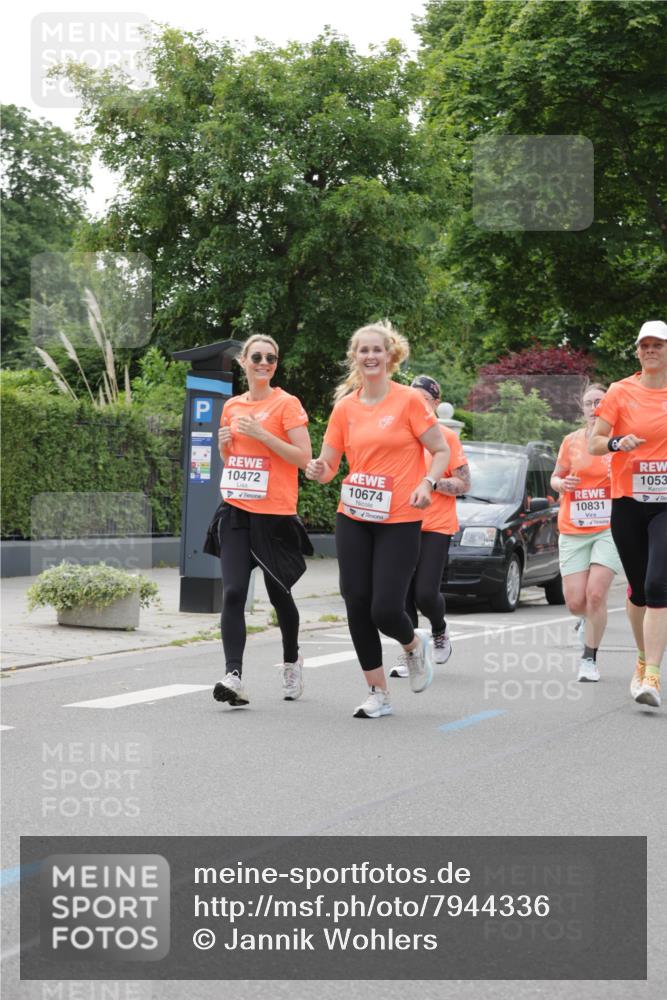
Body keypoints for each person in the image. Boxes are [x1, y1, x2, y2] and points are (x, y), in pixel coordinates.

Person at [305, 321, 450, 719]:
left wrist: (427, 482)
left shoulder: (408, 402)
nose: (370, 356)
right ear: (355, 357)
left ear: (390, 356)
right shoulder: (345, 408)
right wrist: (318, 469)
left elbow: (439, 451)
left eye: (377, 350)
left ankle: (413, 645)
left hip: (400, 517)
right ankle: (378, 692)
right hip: (354, 514)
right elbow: (331, 464)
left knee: (385, 608)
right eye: (363, 350)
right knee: (355, 601)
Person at [211, 334, 312, 708]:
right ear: (244, 361)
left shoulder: (287, 404)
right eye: (257, 356)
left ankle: (291, 661)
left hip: (275, 516)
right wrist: (225, 447)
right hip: (236, 511)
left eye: (271, 357)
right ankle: (233, 675)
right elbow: (233, 461)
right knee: (234, 591)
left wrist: (263, 434)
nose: (264, 362)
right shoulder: (232, 407)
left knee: (279, 596)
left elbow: (303, 457)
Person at [589, 320, 667, 708]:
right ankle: (641, 658)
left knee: (657, 586)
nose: (651, 350)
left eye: (658, 344)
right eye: (645, 345)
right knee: (637, 589)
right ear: (637, 351)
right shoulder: (621, 391)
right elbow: (594, 443)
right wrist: (618, 442)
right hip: (628, 502)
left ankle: (652, 674)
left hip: (665, 506)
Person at [391, 375, 470, 678]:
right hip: (400, 522)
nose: (416, 403)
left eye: (423, 399)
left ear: (435, 404)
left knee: (425, 593)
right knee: (401, 594)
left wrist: (430, 482)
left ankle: (439, 629)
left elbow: (464, 483)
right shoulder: (400, 435)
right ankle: (410, 651)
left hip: (436, 525)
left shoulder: (445, 437)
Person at [550, 383, 623, 682]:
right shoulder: (571, 441)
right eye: (589, 403)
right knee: (576, 602)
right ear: (582, 409)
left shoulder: (618, 442)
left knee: (595, 594)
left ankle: (589, 659)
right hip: (573, 527)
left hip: (608, 527)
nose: (594, 408)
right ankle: (585, 621)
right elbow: (556, 476)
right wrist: (561, 485)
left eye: (600, 402)